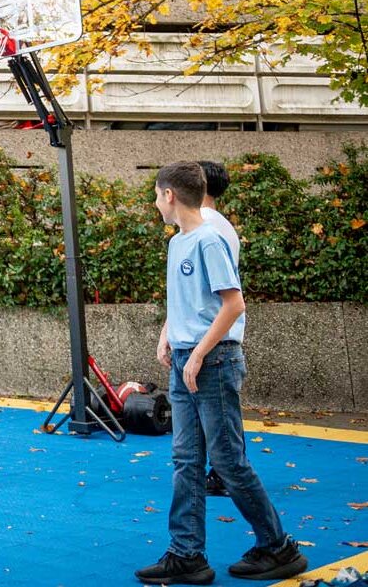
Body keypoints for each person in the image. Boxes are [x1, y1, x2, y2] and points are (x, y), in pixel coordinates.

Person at [134, 162, 307, 586]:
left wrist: (197, 356)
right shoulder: (179, 243)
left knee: (228, 461)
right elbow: (187, 302)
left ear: (170, 195)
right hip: (185, 359)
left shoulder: (210, 241)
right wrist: (168, 336)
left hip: (212, 361)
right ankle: (186, 555)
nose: (156, 204)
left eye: (157, 195)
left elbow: (233, 304)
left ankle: (277, 546)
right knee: (186, 460)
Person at [198, 159, 241, 499]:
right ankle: (222, 472)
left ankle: (227, 474)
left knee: (221, 416)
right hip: (214, 331)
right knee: (219, 414)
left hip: (215, 335)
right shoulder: (217, 224)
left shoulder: (208, 227)